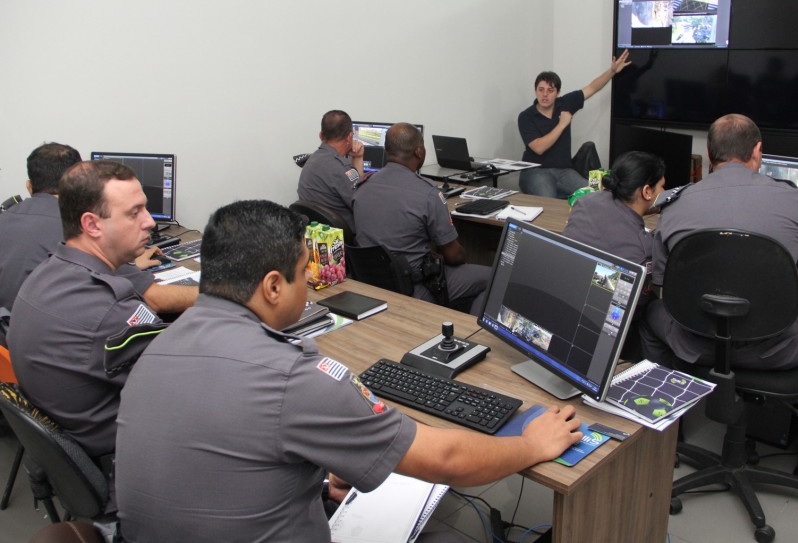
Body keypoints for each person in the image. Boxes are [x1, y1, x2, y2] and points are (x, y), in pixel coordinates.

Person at [114, 200, 583, 542]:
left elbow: (221, 447)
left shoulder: (159, 344)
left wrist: (315, 471)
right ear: (273, 286)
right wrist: (529, 444)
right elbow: (445, 460)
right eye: (304, 271)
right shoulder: (292, 377)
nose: (313, 281)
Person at [641, 113, 798, 487]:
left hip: (695, 341)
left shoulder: (673, 204)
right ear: (758, 151)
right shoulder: (794, 199)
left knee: (649, 316)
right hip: (771, 344)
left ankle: (663, 434)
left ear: (708, 155)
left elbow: (662, 284)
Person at [7, 160, 173, 469]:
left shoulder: (48, 271)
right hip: (125, 461)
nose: (149, 222)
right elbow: (181, 382)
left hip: (76, 440)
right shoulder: (108, 310)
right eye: (134, 212)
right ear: (92, 225)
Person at [0, 142, 196, 315]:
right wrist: (218, 293)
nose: (149, 222)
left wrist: (130, 266)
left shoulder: (7, 217)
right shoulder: (78, 230)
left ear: (29, 186)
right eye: (133, 212)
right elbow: (154, 299)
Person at [352, 123, 490, 313]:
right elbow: (454, 256)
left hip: (373, 284)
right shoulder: (428, 194)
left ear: (386, 150)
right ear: (419, 151)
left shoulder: (362, 187)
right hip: (414, 287)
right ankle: (472, 333)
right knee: (493, 279)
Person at [563, 150, 665, 358]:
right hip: (603, 326)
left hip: (567, 298)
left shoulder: (585, 202)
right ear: (647, 191)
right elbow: (637, 303)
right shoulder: (642, 249)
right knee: (656, 307)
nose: (664, 192)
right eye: (662, 187)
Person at [518, 50, 632, 199]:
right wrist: (562, 124)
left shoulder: (565, 103)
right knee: (549, 200)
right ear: (535, 91)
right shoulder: (526, 116)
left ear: (557, 92)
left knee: (595, 195)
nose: (545, 95)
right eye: (541, 90)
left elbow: (592, 87)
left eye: (550, 90)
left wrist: (612, 71)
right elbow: (539, 148)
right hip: (535, 171)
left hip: (564, 171)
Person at [297, 109, 365, 233]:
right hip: (346, 242)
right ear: (350, 137)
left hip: (319, 238)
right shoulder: (341, 168)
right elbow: (362, 203)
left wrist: (357, 157)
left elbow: (357, 188)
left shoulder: (311, 160)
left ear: (321, 135)